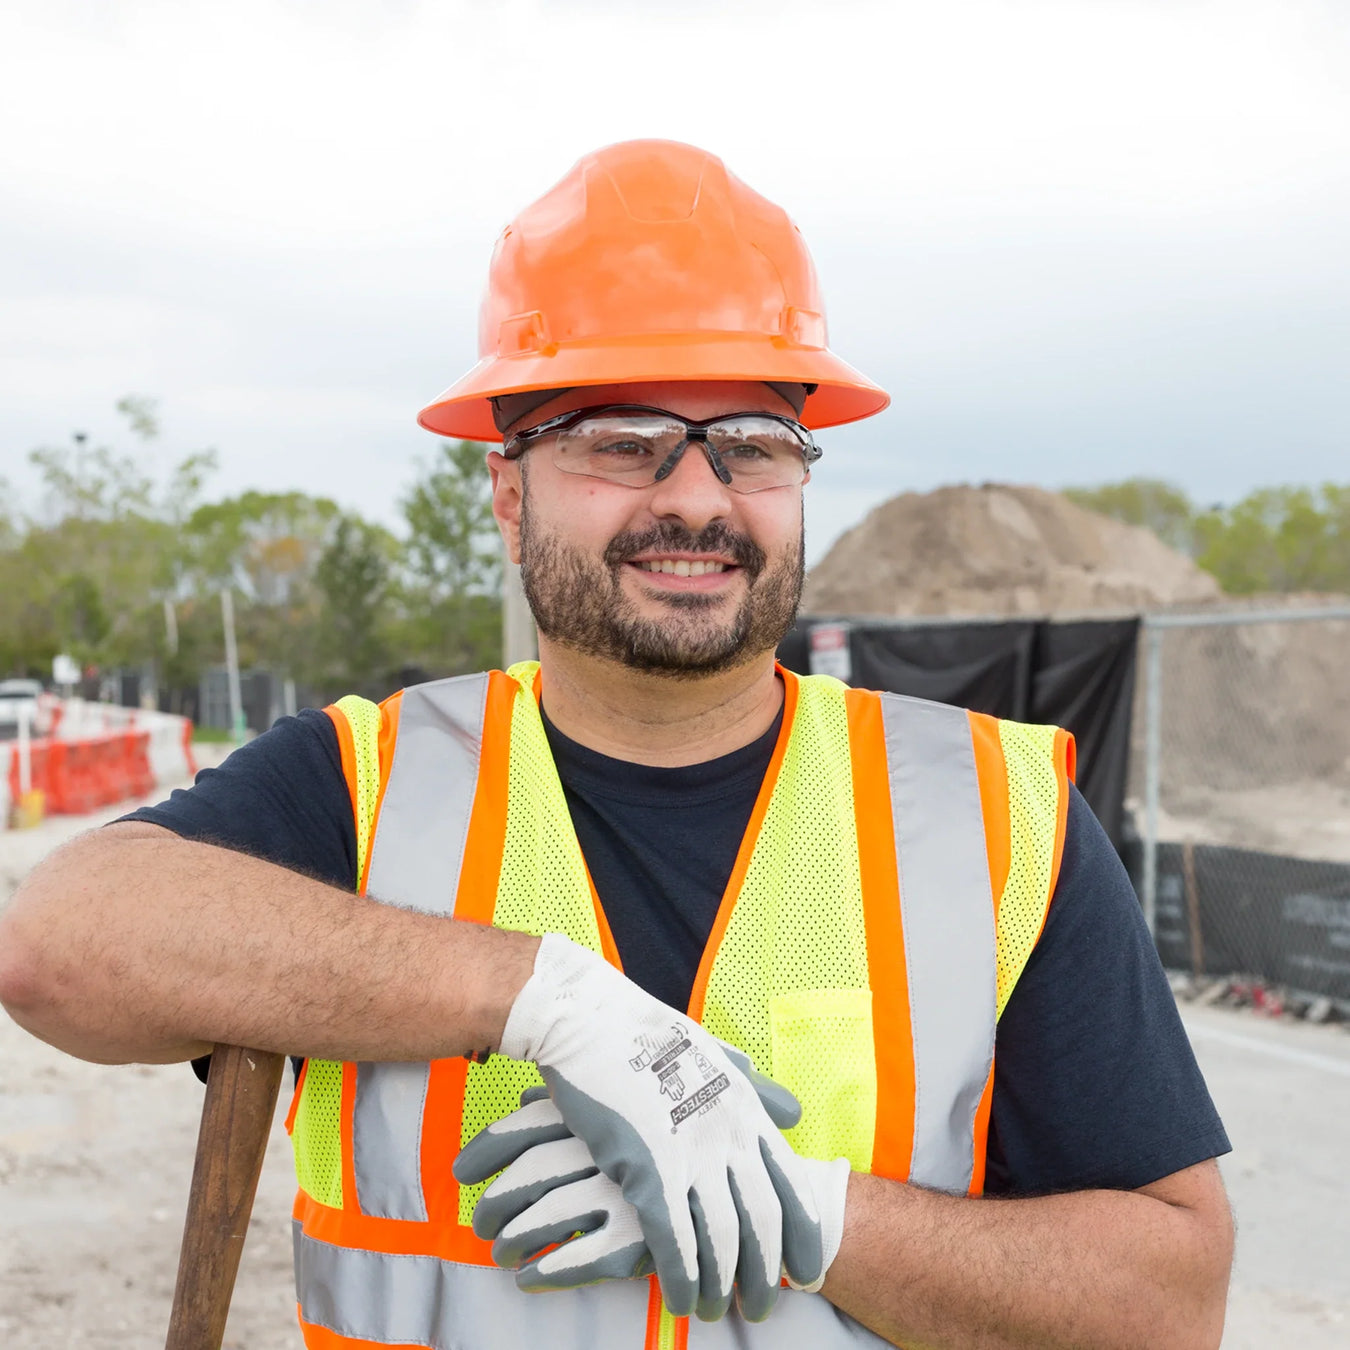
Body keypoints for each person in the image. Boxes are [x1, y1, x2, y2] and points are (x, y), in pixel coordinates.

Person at [0, 140, 1233, 1349]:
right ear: (507, 489)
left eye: (752, 440)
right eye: (621, 440)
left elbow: (1169, 1306)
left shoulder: (988, 816)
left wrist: (811, 1210)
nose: (697, 496)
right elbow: (57, 946)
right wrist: (548, 1001)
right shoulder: (371, 786)